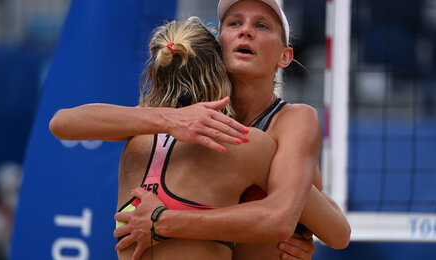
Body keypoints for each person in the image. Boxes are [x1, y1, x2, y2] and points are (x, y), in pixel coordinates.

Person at [49, 1, 351, 259]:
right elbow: (63, 123)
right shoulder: (185, 115)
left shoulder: (291, 121)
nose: (246, 30)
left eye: (262, 26)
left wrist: (163, 221)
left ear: (285, 56)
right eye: (235, 23)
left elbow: (332, 230)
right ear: (219, 44)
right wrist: (170, 120)